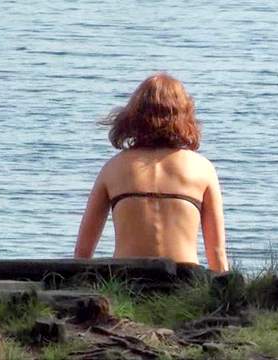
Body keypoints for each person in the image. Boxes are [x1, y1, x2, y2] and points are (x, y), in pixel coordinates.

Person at [74, 73, 229, 272]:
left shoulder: (113, 168)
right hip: (184, 283)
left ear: (134, 115)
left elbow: (82, 252)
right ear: (184, 114)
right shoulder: (202, 168)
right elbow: (216, 254)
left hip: (127, 281)